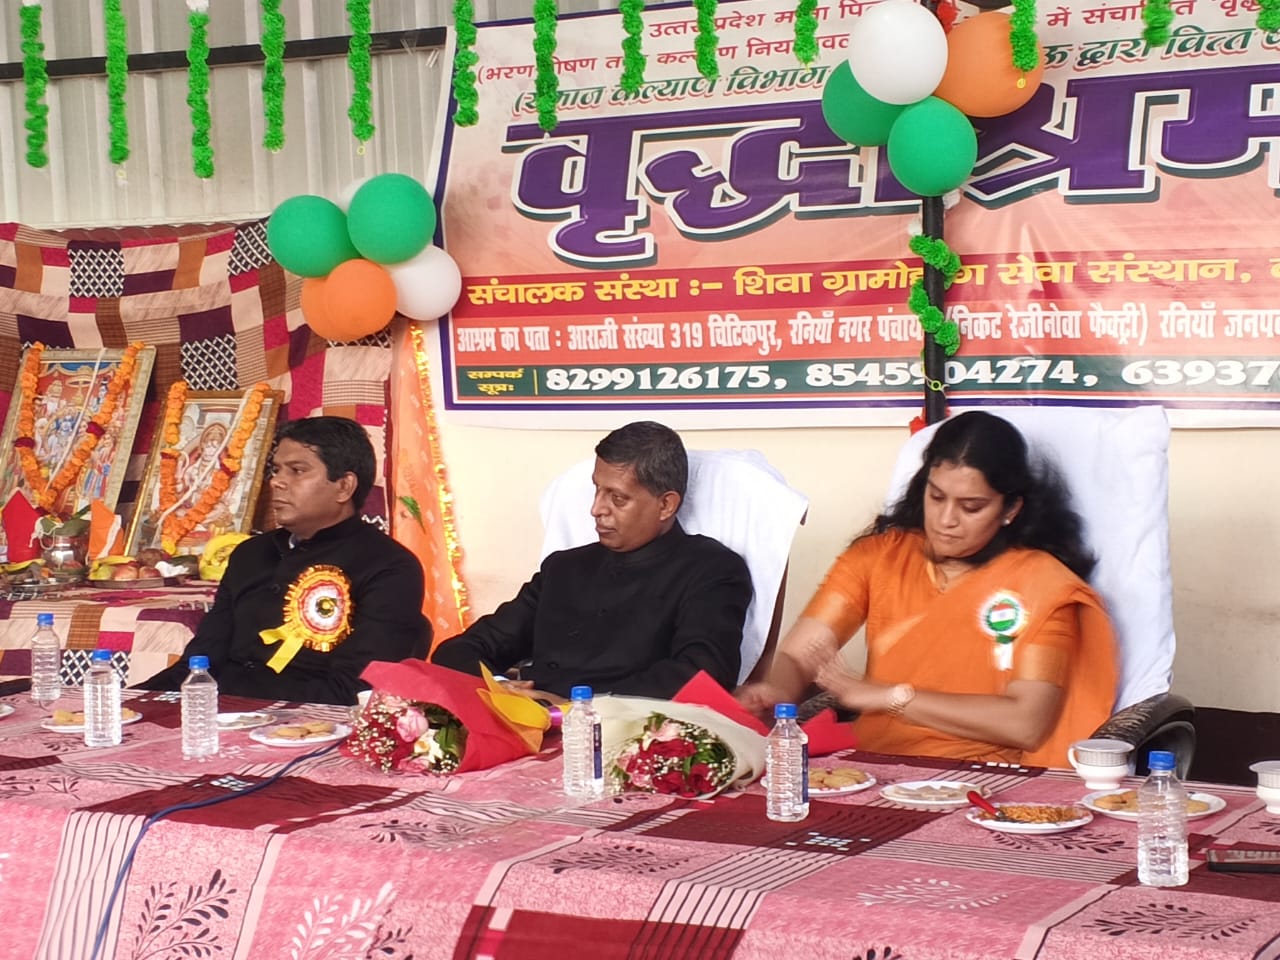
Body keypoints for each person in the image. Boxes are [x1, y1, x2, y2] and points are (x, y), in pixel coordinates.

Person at [736, 411, 1118, 768]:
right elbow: (801, 654)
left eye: (971, 507)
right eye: (936, 497)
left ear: (1010, 510)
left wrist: (891, 696)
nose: (946, 520)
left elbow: (1026, 724)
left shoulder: (1043, 585)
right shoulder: (879, 557)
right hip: (868, 767)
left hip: (982, 777)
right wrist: (777, 692)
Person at [432, 421, 752, 700]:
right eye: (597, 491)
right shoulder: (564, 569)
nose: (596, 509)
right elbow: (459, 650)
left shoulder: (711, 570)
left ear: (666, 505)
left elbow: (702, 675)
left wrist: (578, 706)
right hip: (531, 726)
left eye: (617, 498)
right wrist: (501, 687)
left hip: (628, 733)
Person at [139, 416, 431, 705]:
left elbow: (356, 692)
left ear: (344, 486)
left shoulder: (388, 567)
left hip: (311, 724)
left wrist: (238, 697)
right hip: (218, 713)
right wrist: (130, 700)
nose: (277, 481)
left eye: (297, 470)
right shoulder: (249, 554)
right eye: (276, 470)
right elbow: (198, 665)